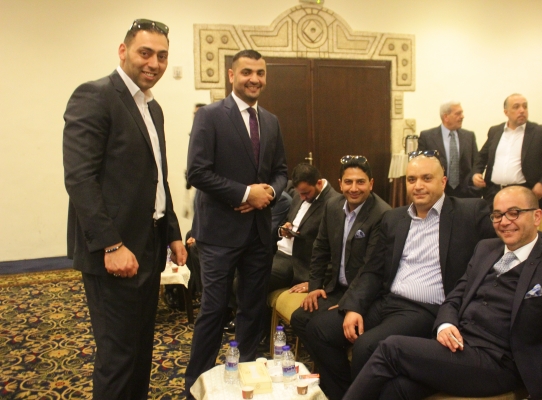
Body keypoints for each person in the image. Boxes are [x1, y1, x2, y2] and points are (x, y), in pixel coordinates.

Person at [305, 151, 542, 400]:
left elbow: (524, 231)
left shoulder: (472, 215)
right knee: (326, 333)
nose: (418, 185)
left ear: (443, 181)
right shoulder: (479, 247)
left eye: (426, 178)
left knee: (378, 347)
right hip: (438, 326)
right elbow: (375, 269)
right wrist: (356, 306)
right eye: (412, 179)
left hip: (463, 334)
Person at [63, 19, 186, 399]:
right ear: (123, 51)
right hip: (114, 252)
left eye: (162, 56)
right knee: (118, 358)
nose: (154, 63)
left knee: (140, 350)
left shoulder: (153, 107)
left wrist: (172, 233)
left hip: (149, 246)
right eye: (145, 53)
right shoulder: (95, 95)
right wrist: (111, 245)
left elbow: (157, 178)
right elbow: (80, 179)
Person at [185, 49, 287, 395]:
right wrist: (245, 193)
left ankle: (246, 379)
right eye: (247, 72)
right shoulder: (210, 116)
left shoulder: (271, 121)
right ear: (231, 75)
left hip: (259, 233)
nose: (254, 79)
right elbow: (197, 172)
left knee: (253, 310)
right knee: (213, 310)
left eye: (260, 73)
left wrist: (269, 192)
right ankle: (196, 384)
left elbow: (281, 172)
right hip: (218, 234)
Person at [290, 156, 390, 377]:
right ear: (340, 183)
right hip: (336, 288)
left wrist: (349, 302)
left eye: (360, 182)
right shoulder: (333, 206)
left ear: (371, 184)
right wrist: (315, 286)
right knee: (300, 319)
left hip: (366, 295)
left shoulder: (382, 214)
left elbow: (372, 269)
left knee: (319, 327)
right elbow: (320, 249)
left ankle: (340, 385)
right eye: (348, 182)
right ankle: (337, 379)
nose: (354, 188)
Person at [472, 93, 542, 215]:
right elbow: (482, 156)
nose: (522, 110)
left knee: (519, 226)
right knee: (493, 226)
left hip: (524, 195)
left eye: (525, 106)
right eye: (516, 107)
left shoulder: (540, 133)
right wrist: (476, 173)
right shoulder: (495, 131)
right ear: (506, 112)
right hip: (494, 193)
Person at [269, 163, 340, 293]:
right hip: (277, 252)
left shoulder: (333, 204)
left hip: (296, 263)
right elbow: (286, 221)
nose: (302, 197)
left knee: (246, 282)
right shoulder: (301, 193)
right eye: (299, 193)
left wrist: (316, 282)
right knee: (238, 272)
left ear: (319, 183)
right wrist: (283, 229)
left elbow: (335, 251)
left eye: (306, 193)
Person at [418, 100, 479, 198]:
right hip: (437, 192)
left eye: (462, 113)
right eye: (458, 114)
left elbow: (476, 162)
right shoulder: (427, 137)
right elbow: (421, 165)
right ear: (446, 117)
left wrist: (475, 185)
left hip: (466, 194)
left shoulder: (469, 136)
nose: (462, 116)